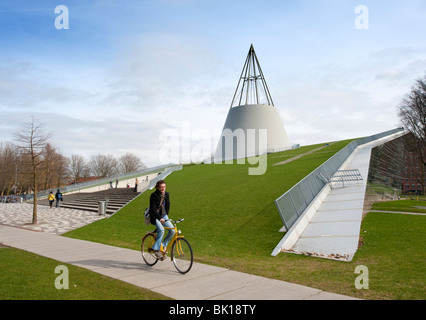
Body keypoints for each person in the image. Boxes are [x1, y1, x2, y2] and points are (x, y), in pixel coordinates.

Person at [149, 180, 175, 259]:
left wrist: (165, 215)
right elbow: (153, 209)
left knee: (172, 230)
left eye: (164, 187)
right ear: (157, 188)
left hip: (163, 216)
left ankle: (163, 245)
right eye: (161, 187)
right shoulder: (153, 195)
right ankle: (156, 249)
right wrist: (159, 218)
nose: (163, 188)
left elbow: (168, 204)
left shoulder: (166, 194)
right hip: (155, 216)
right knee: (161, 230)